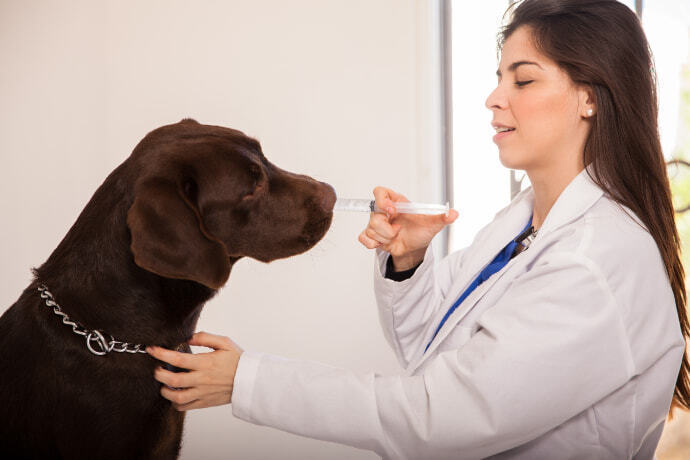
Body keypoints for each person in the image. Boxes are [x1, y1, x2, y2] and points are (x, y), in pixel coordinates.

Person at [146, 0, 690, 458]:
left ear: (591, 97)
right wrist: (408, 264)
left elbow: (440, 416)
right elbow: (431, 352)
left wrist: (249, 381)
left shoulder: (596, 262)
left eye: (522, 78)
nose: (494, 98)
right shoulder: (524, 221)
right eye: (499, 77)